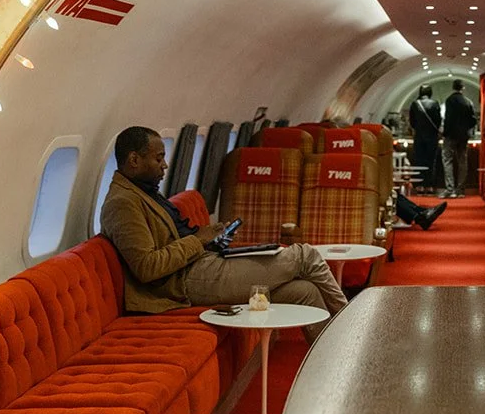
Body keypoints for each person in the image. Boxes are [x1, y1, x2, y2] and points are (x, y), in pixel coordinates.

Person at [100, 127, 349, 322]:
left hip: (202, 263)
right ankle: (354, 328)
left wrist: (209, 236)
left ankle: (334, 362)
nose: (165, 165)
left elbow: (174, 236)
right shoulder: (122, 203)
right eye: (158, 158)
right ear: (134, 160)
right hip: (186, 281)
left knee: (304, 291)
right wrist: (198, 240)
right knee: (306, 256)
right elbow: (147, 266)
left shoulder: (144, 191)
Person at [440, 80, 477, 198]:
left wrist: (445, 133)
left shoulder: (449, 100)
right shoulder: (468, 102)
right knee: (462, 162)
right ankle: (460, 190)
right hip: (463, 136)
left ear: (453, 87)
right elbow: (473, 120)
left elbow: (448, 119)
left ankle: (450, 189)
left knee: (447, 160)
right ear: (463, 88)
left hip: (450, 135)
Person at [407, 83, 443, 194]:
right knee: (431, 161)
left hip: (419, 137)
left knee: (419, 160)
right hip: (432, 137)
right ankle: (430, 185)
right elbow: (438, 121)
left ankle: (419, 185)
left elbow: (412, 122)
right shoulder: (435, 103)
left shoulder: (415, 104)